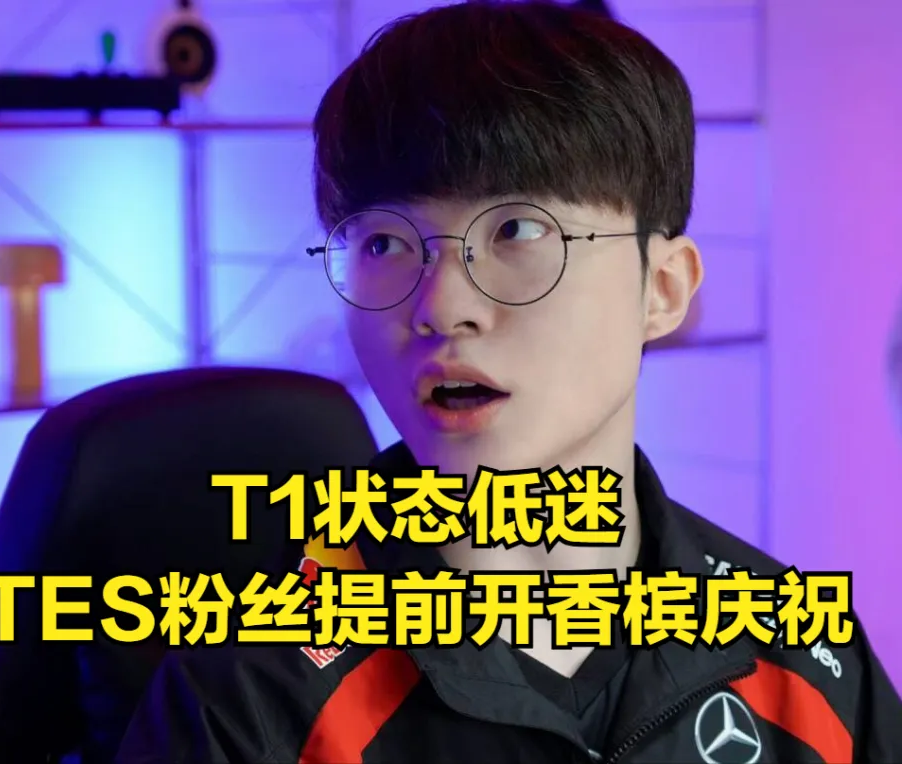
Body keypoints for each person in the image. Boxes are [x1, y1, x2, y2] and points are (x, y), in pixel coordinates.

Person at [116, 2, 902, 762]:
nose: (441, 307)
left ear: (661, 289)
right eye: (385, 243)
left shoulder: (803, 660)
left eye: (517, 231)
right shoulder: (250, 698)